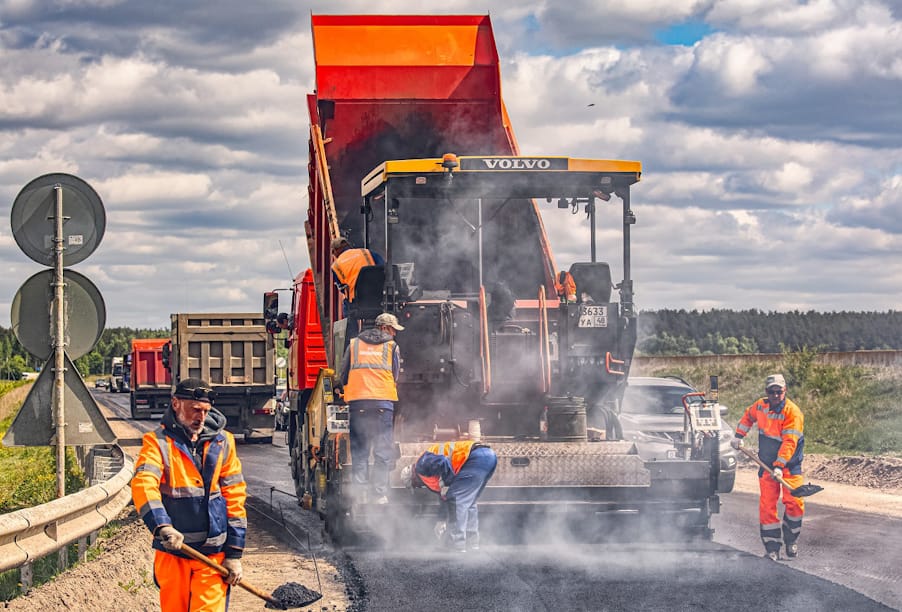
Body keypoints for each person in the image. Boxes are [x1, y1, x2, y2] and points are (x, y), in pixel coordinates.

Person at [131, 378, 247, 611]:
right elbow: (144, 484)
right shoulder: (157, 443)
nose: (201, 417)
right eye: (195, 409)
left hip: (213, 555)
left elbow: (234, 495)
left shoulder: (223, 442)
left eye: (205, 411)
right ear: (176, 404)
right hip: (174, 552)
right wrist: (162, 526)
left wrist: (234, 553)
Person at [731, 373, 805, 561]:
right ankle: (772, 548)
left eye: (779, 391)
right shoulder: (760, 406)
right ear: (767, 392)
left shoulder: (792, 413)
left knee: (795, 504)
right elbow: (748, 417)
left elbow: (789, 442)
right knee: (767, 507)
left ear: (785, 391)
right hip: (766, 464)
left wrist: (779, 466)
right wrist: (739, 436)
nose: (775, 395)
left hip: (789, 466)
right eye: (772, 392)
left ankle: (791, 540)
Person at [339, 312, 403, 504]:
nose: (394, 333)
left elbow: (343, 374)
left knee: (360, 450)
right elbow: (395, 374)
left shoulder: (354, 344)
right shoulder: (392, 346)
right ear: (384, 328)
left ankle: (359, 493)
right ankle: (379, 494)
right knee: (382, 450)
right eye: (392, 329)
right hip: (383, 404)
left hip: (358, 403)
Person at [401, 439, 498, 552]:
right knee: (469, 503)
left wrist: (448, 482)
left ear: (413, 477)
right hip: (488, 457)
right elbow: (443, 497)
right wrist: (441, 520)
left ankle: (457, 544)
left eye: (415, 485)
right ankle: (472, 544)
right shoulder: (428, 475)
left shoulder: (421, 465)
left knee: (456, 499)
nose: (418, 487)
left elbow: (443, 461)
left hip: (474, 458)